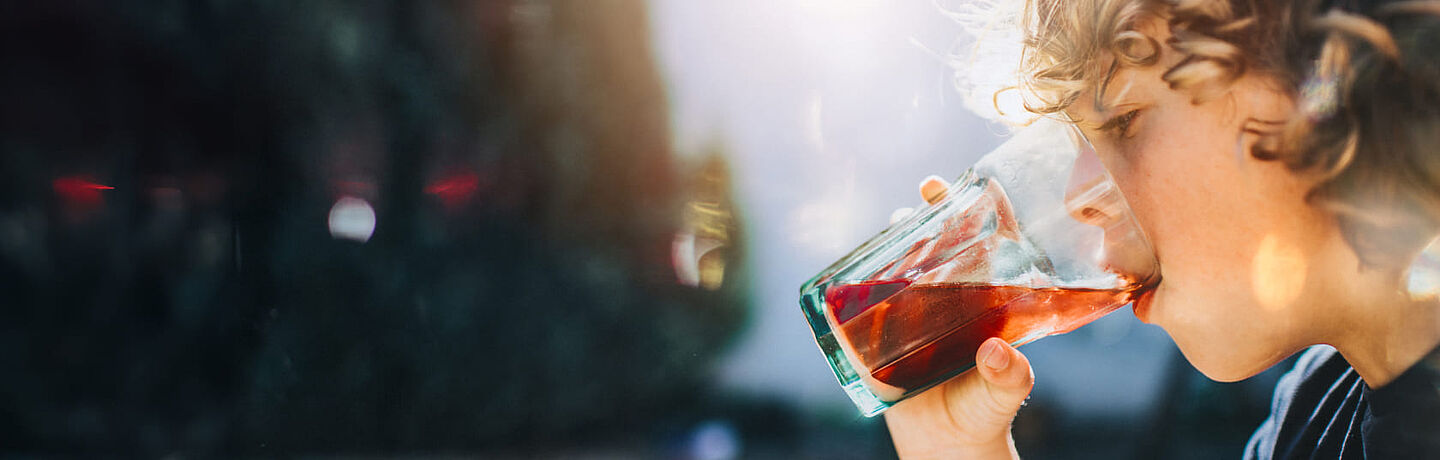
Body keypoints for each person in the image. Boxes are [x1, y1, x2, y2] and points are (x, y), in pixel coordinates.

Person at [883, 0, 1440, 458]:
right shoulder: (1305, 420)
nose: (1079, 199)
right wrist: (955, 449)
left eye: (1123, 121)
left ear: (1335, 83)